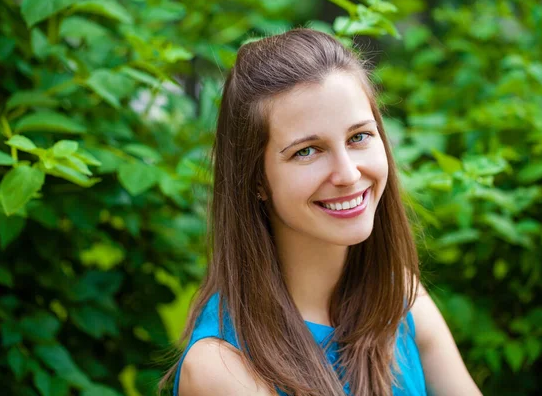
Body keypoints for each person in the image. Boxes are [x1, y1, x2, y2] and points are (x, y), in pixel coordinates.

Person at [160, 28, 482, 396]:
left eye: (358, 137)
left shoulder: (398, 292)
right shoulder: (222, 368)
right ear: (257, 181)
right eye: (307, 151)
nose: (348, 174)